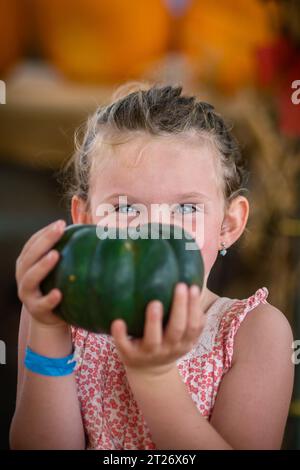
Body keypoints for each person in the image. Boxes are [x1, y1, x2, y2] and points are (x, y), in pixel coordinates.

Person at [10, 83, 294, 450]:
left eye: (186, 208)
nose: (154, 232)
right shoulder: (57, 314)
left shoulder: (255, 334)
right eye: (126, 208)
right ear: (85, 220)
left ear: (229, 225)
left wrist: (154, 376)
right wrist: (48, 329)